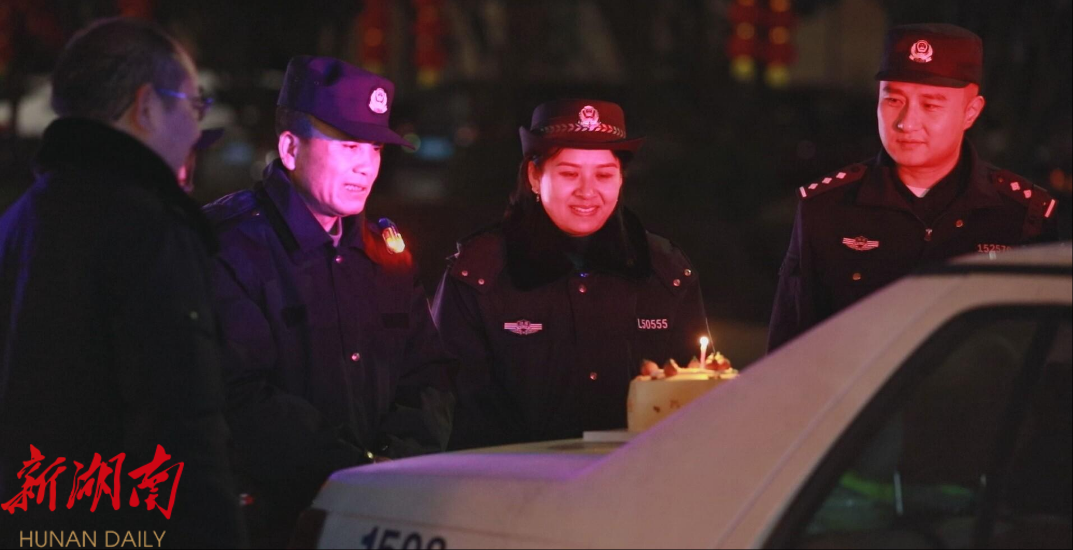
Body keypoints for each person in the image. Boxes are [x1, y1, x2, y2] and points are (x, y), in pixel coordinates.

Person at [0, 18, 245, 548]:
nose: (196, 128)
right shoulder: (149, 229)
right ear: (147, 106)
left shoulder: (19, 221)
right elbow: (182, 423)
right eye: (194, 105)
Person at [202, 56, 455, 546]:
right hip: (271, 527)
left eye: (375, 148)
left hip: (381, 518)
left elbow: (429, 374)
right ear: (290, 148)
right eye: (349, 145)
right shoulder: (232, 246)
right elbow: (238, 395)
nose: (366, 165)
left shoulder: (384, 252)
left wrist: (395, 466)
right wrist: (353, 471)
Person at [432, 99, 711, 450]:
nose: (587, 191)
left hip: (636, 476)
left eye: (604, 175)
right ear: (535, 177)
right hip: (511, 478)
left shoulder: (665, 272)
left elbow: (698, 398)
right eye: (569, 173)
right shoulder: (480, 275)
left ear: (620, 179)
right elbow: (448, 409)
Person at [768, 23, 1059, 352]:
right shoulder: (828, 208)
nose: (906, 122)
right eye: (893, 100)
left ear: (971, 112)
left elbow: (1043, 352)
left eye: (931, 105)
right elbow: (788, 352)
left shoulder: (1022, 216)